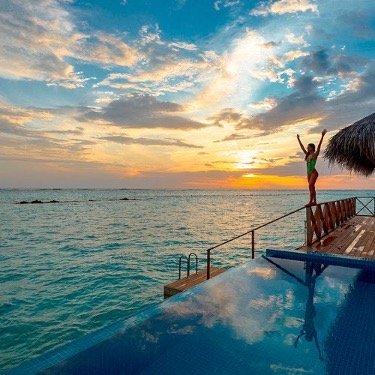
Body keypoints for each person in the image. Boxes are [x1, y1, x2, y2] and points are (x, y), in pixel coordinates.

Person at [297, 129, 327, 206]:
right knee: (312, 187)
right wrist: (298, 139)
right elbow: (302, 147)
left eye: (308, 147)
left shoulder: (314, 155)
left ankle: (310, 201)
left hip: (314, 172)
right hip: (308, 173)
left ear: (311, 148)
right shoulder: (307, 155)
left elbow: (319, 146)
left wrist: (322, 136)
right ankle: (315, 201)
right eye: (307, 147)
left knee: (310, 185)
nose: (307, 148)